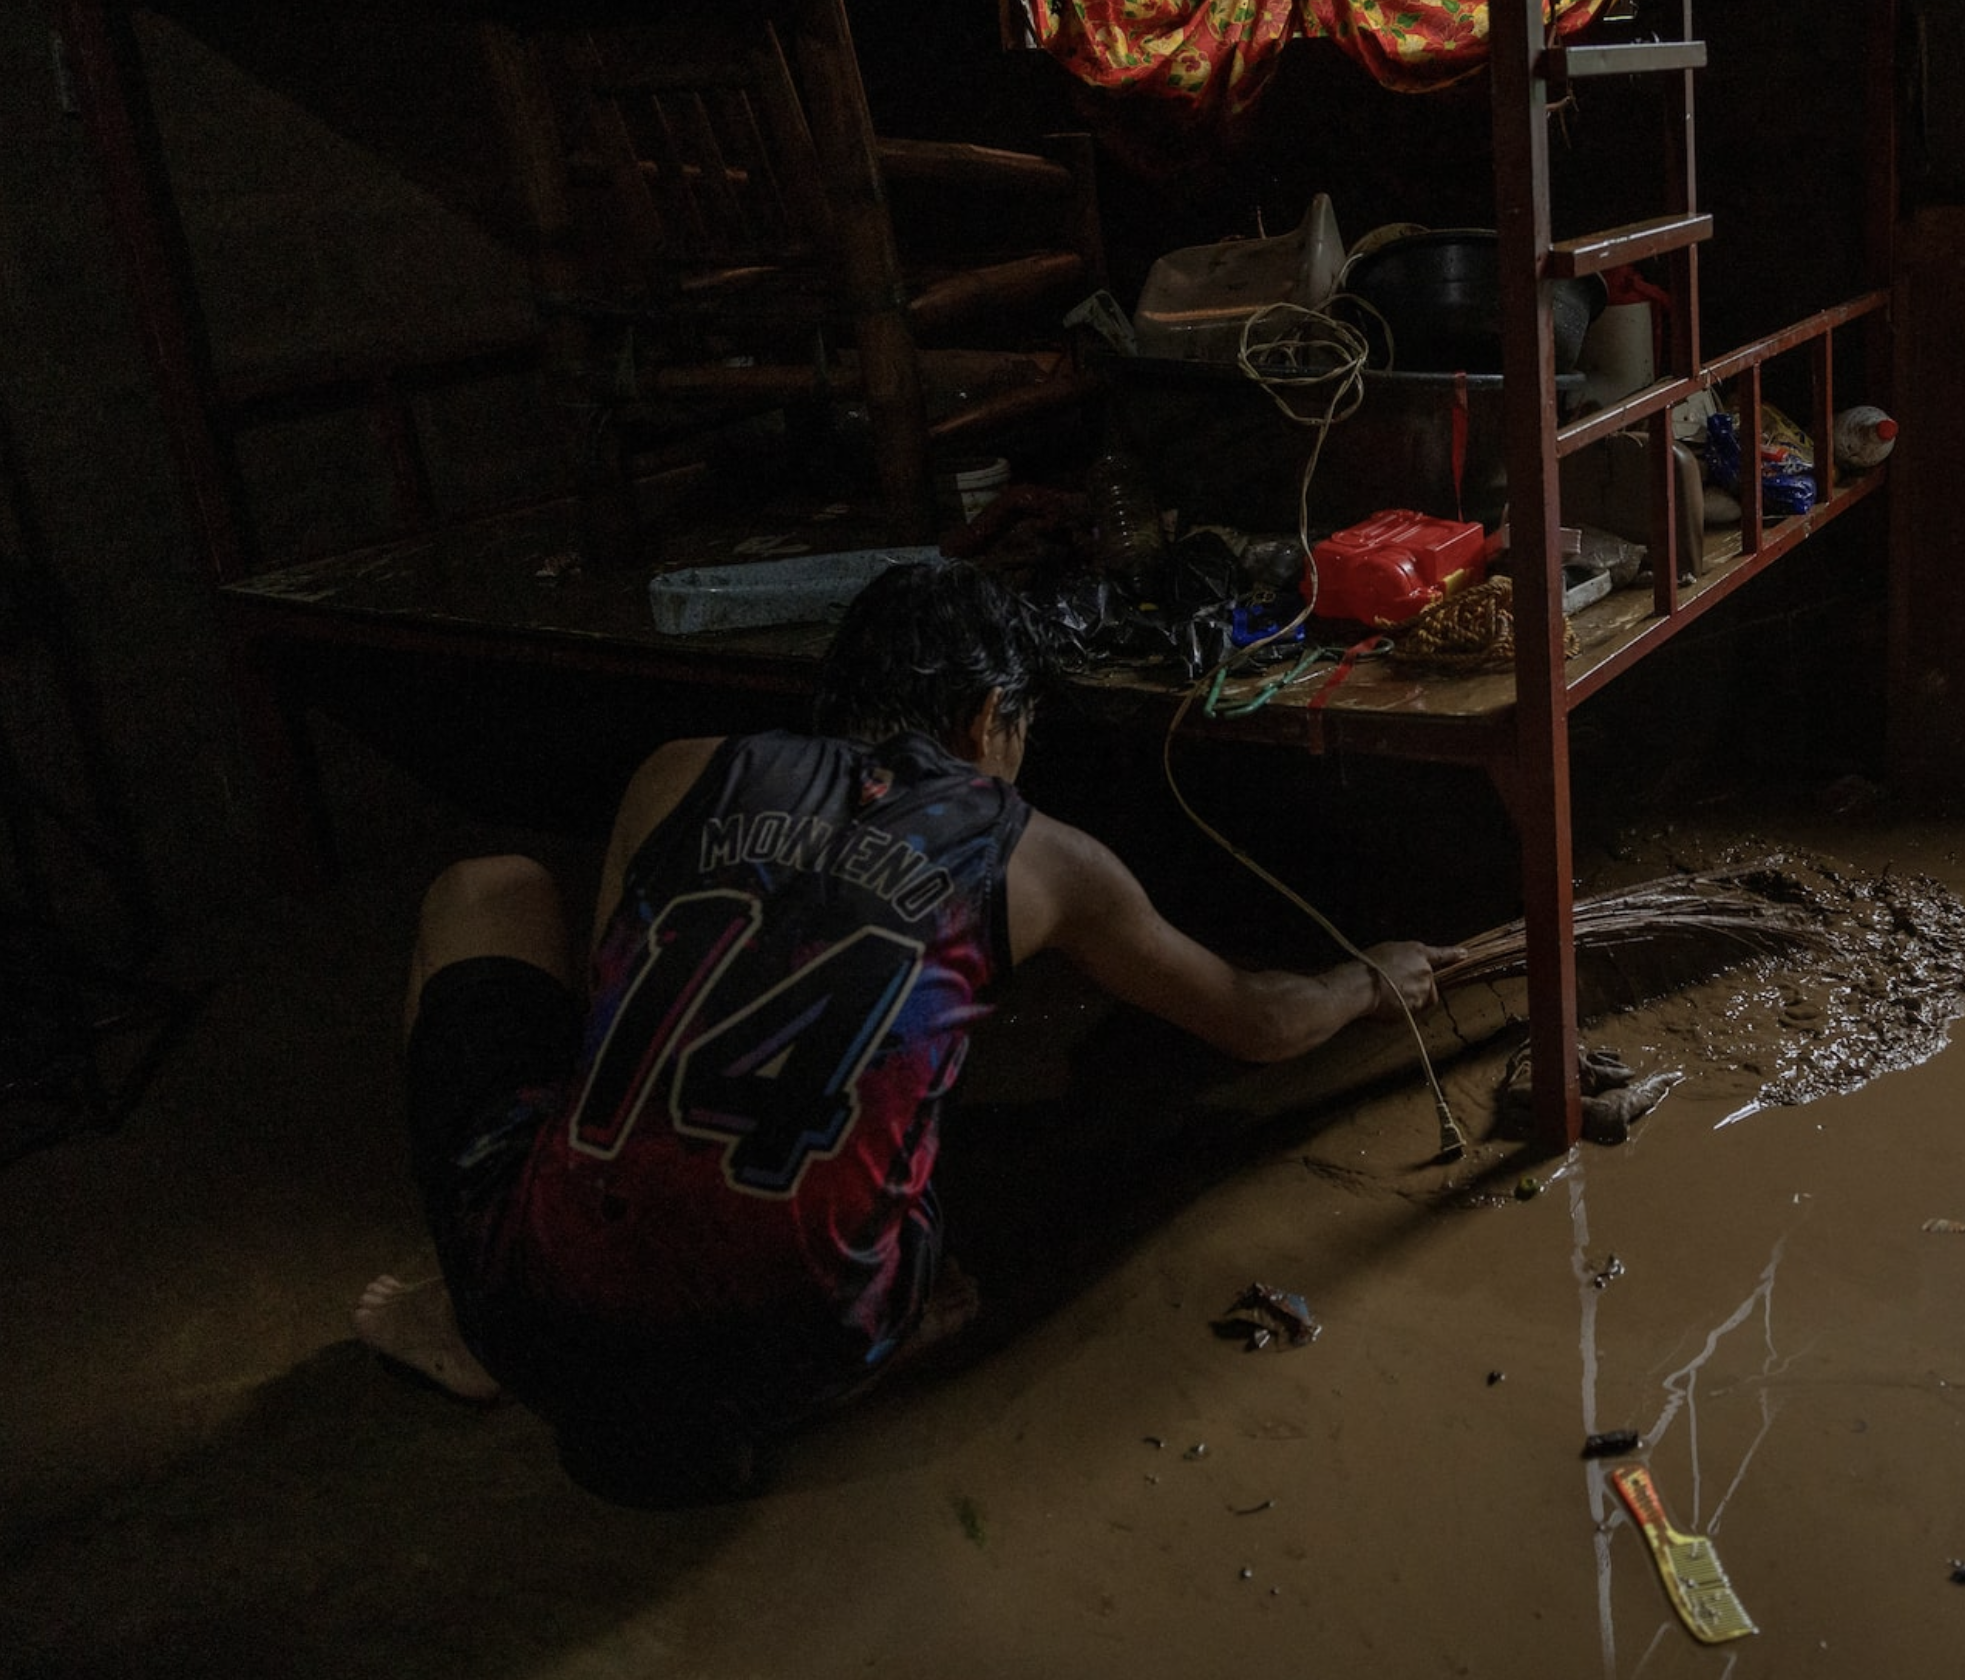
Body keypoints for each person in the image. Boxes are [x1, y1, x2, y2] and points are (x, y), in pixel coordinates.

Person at [352, 562, 1453, 1502]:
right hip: (811, 1349)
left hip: (539, 1325)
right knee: (918, 1139)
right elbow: (1259, 1023)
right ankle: (909, 1304)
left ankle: (462, 1317)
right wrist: (1371, 981)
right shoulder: (1040, 854)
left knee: (486, 888)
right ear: (987, 720)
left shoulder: (682, 768)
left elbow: (615, 1037)